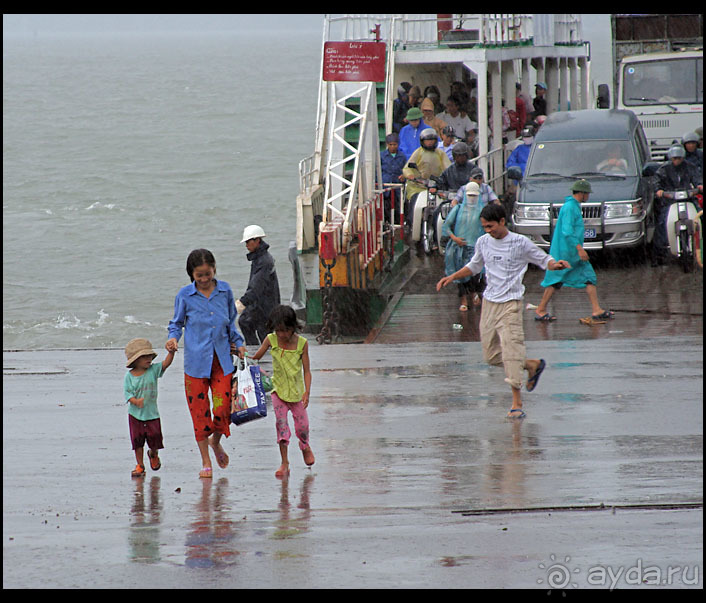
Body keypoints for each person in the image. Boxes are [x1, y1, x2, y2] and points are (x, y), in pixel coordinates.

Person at [436, 204, 570, 419]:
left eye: (491, 226)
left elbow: (543, 259)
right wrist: (452, 276)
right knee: (490, 356)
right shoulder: (483, 242)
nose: (488, 231)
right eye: (484, 227)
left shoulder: (520, 242)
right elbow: (474, 265)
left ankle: (516, 402)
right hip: (490, 302)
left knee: (511, 349)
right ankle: (531, 364)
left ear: (502, 221)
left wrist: (556, 265)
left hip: (511, 303)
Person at [167, 248, 247, 479]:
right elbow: (176, 324)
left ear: (214, 270)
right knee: (199, 414)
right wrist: (173, 339)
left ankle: (216, 441)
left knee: (223, 408)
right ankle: (205, 460)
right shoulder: (185, 295)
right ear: (191, 274)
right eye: (198, 275)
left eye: (207, 274)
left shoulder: (225, 291)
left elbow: (231, 322)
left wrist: (238, 342)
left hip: (221, 361)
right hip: (195, 364)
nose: (203, 279)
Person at [535, 180, 613, 322]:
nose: (588, 196)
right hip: (567, 252)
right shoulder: (570, 207)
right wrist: (579, 249)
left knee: (585, 277)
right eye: (587, 193)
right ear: (582, 193)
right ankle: (541, 310)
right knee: (557, 280)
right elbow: (567, 231)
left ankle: (596, 309)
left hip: (571, 252)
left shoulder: (573, 206)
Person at [251, 305, 313, 478]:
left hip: (297, 393)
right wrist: (240, 354)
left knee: (303, 427)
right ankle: (284, 462)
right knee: (281, 425)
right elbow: (256, 357)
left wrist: (307, 392)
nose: (282, 335)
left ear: (293, 327)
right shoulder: (271, 340)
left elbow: (307, 371)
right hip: (278, 391)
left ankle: (305, 446)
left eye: (285, 330)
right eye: (278, 330)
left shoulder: (302, 344)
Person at [124, 338, 175, 477]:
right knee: (137, 441)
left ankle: (153, 454)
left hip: (152, 414)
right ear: (135, 360)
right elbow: (127, 394)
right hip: (135, 415)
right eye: (144, 357)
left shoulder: (153, 370)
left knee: (155, 438)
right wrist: (135, 401)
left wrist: (171, 353)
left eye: (150, 356)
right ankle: (140, 465)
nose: (148, 359)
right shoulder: (129, 377)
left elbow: (165, 364)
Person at [653, 145, 704, 265]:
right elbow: (656, 181)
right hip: (670, 201)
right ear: (670, 158)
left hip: (689, 199)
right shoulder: (664, 169)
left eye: (679, 158)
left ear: (683, 158)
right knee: (662, 223)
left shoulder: (690, 167)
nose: (677, 161)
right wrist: (658, 190)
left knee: (700, 216)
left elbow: (697, 178)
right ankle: (659, 253)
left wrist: (700, 185)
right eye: (674, 158)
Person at [442, 181, 486, 310]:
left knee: (474, 274)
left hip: (475, 248)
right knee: (459, 275)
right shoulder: (458, 209)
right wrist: (455, 238)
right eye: (469, 195)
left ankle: (473, 294)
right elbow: (447, 226)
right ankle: (463, 300)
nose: (472, 198)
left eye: (474, 196)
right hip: (458, 248)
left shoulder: (483, 211)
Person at [236, 225, 281, 347]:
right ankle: (257, 352)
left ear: (257, 240)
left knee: (261, 330)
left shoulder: (264, 261)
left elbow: (256, 286)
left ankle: (261, 355)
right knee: (245, 322)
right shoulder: (260, 258)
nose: (246, 245)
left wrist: (242, 302)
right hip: (260, 304)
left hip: (266, 307)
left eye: (248, 242)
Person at [402, 127, 451, 222]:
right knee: (414, 203)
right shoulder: (418, 152)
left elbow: (448, 168)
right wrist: (410, 175)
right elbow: (407, 168)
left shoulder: (440, 153)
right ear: (422, 141)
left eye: (432, 140)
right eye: (427, 140)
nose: (430, 143)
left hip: (436, 187)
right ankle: (411, 223)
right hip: (418, 187)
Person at [380, 132, 408, 223]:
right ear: (387, 145)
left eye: (394, 144)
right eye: (390, 145)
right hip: (385, 186)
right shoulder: (382, 156)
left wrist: (404, 176)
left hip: (397, 187)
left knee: (398, 208)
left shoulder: (402, 156)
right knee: (384, 208)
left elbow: (406, 169)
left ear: (398, 144)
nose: (392, 147)